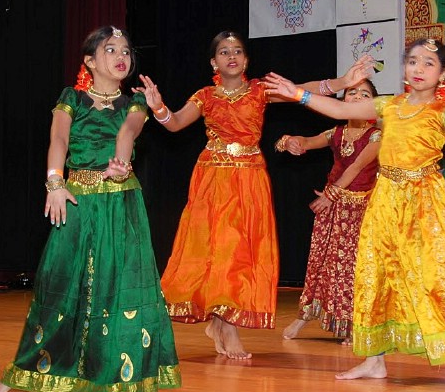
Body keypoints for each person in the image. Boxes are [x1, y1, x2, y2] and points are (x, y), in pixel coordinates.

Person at [262, 39, 445, 381]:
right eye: (412, 62)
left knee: (440, 275)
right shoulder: (389, 106)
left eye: (427, 63)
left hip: (423, 202)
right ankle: (374, 360)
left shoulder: (444, 111)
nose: (418, 69)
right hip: (384, 200)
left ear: (443, 73)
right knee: (373, 274)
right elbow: (340, 111)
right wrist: (297, 94)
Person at [134, 31, 370, 360]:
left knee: (240, 253)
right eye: (224, 51)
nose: (232, 56)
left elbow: (304, 91)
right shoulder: (204, 96)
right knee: (219, 249)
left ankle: (220, 320)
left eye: (238, 51)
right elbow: (174, 125)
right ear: (214, 62)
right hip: (214, 178)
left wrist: (342, 80)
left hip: (250, 178)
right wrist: (158, 107)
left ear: (246, 60)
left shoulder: (259, 91)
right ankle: (225, 325)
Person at [0, 26, 180, 392]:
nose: (121, 56)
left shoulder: (135, 102)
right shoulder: (70, 98)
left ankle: (121, 375)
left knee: (120, 287)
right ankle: (26, 370)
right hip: (77, 201)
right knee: (59, 282)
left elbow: (128, 131)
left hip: (122, 203)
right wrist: (55, 183)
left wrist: (122, 161)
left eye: (125, 50)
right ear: (90, 61)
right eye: (110, 50)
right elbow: (58, 139)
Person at [278, 78, 382, 345]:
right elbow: (309, 141)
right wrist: (291, 141)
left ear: (373, 103)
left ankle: (352, 323)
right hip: (331, 207)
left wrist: (331, 194)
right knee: (321, 264)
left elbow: (357, 167)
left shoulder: (378, 135)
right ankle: (305, 314)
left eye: (365, 93)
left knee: (351, 268)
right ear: (343, 101)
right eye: (352, 92)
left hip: (359, 210)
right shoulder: (335, 133)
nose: (357, 96)